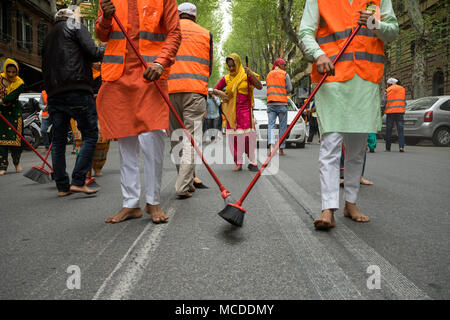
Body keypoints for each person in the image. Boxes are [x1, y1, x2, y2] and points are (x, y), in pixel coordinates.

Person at [299, 0, 399, 229]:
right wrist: (317, 54)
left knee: (357, 148)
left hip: (365, 80)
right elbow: (305, 32)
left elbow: (393, 32)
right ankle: (328, 208)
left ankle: (350, 203)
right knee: (330, 144)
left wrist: (375, 24)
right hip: (331, 76)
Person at [96, 0, 181, 222]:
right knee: (126, 143)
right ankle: (130, 204)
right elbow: (102, 35)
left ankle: (153, 201)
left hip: (150, 75)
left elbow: (174, 33)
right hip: (118, 77)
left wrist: (161, 63)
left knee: (151, 139)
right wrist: (105, 18)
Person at [42, 8, 104, 197]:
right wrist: (108, 47)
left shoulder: (48, 36)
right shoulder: (75, 25)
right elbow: (94, 53)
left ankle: (62, 187)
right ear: (71, 18)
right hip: (77, 89)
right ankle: (78, 180)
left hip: (54, 94)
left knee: (59, 141)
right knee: (91, 134)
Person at [167, 2, 212, 199]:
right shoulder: (206, 33)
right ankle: (183, 186)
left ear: (177, 15)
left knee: (176, 138)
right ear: (194, 16)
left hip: (170, 90)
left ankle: (184, 181)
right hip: (195, 91)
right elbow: (208, 66)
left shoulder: (169, 31)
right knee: (191, 140)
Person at [213, 53, 263, 172]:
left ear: (239, 64)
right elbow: (214, 90)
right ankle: (238, 162)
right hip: (232, 113)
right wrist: (222, 94)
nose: (231, 69)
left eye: (233, 66)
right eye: (229, 66)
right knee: (233, 139)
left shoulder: (246, 75)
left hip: (246, 112)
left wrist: (251, 74)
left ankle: (252, 160)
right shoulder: (226, 78)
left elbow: (260, 86)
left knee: (248, 137)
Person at [0, 59, 25, 175]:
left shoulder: (19, 83)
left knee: (16, 142)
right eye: (8, 71)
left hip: (14, 114)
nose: (10, 74)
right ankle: (3, 166)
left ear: (17, 72)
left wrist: (2, 100)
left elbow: (11, 97)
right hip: (1, 114)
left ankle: (16, 163)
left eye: (13, 72)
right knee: (1, 142)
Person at [266, 58, 292, 156]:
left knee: (271, 126)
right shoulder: (285, 74)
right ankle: (281, 149)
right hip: (282, 104)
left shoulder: (269, 74)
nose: (285, 67)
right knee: (282, 127)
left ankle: (271, 147)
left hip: (271, 104)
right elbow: (289, 89)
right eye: (284, 65)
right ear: (280, 65)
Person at [382, 77, 406, 152]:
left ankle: (388, 148)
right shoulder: (402, 89)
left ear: (390, 84)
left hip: (390, 113)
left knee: (388, 130)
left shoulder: (388, 90)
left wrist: (382, 109)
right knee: (400, 130)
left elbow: (383, 101)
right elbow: (404, 101)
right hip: (400, 112)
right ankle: (401, 147)